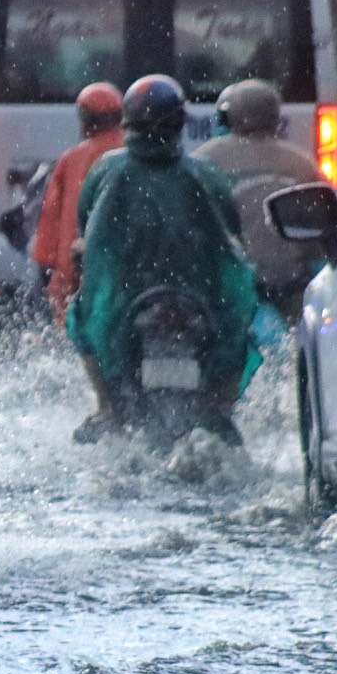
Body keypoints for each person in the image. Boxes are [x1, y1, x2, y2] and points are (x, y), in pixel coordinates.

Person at [67, 75, 259, 445]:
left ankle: (107, 405)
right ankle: (220, 404)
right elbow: (232, 230)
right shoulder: (205, 174)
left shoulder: (107, 170)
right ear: (180, 124)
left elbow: (85, 225)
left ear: (127, 123)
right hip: (201, 299)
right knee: (242, 325)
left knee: (81, 315)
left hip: (125, 301)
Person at [191, 79, 325, 322]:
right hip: (292, 283)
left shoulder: (204, 161)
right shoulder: (302, 163)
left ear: (227, 116)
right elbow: (325, 226)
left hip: (232, 286)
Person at [32, 83, 125, 324]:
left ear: (84, 120)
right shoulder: (134, 155)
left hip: (74, 273)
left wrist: (48, 265)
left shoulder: (71, 159)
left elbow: (51, 219)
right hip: (128, 274)